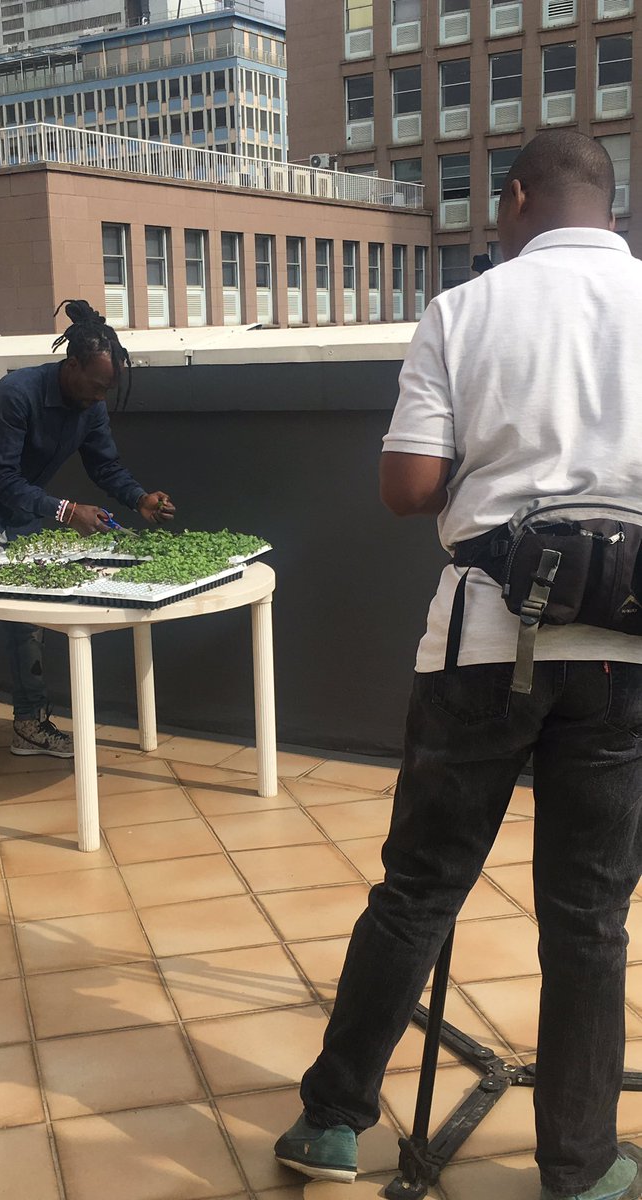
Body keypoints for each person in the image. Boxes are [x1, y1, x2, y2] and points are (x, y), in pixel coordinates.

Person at [274, 130, 642, 1200]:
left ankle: (332, 1123)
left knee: (419, 888)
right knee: (589, 919)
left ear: (520, 197)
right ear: (610, 207)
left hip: (484, 643)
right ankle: (580, 1167)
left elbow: (407, 488)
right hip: (623, 655)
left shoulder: (465, 308)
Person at [0, 299, 175, 775]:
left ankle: (29, 724)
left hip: (23, 516)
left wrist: (138, 498)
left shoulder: (90, 406)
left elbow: (104, 465)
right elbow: (2, 477)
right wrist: (66, 511)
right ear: (71, 366)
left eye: (107, 390)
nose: (100, 398)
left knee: (28, 627)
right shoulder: (16, 394)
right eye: (96, 386)